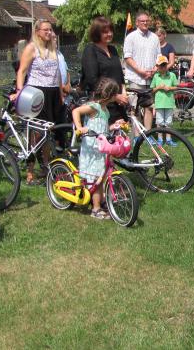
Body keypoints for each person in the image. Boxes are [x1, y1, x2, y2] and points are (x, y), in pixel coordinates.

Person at [11, 19, 64, 185]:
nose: (49, 32)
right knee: (35, 133)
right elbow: (22, 71)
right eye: (46, 30)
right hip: (36, 92)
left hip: (53, 92)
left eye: (50, 29)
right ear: (37, 31)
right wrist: (20, 92)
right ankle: (30, 170)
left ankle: (46, 164)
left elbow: (58, 74)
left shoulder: (53, 48)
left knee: (48, 132)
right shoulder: (31, 48)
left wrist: (61, 93)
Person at [71, 77, 125, 220]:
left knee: (104, 175)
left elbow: (104, 128)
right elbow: (76, 111)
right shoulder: (93, 107)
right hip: (92, 149)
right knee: (97, 178)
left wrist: (114, 126)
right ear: (110, 95)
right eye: (116, 94)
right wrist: (79, 127)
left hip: (102, 148)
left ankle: (101, 201)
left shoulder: (104, 109)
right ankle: (95, 209)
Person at [80, 16, 129, 124]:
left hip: (118, 102)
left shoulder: (113, 49)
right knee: (105, 137)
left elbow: (119, 74)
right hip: (102, 103)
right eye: (105, 32)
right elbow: (92, 80)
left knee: (121, 137)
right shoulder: (90, 50)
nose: (110, 34)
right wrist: (115, 97)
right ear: (97, 33)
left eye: (111, 31)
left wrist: (123, 92)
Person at [123, 11, 160, 132]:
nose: (145, 23)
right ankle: (137, 135)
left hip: (150, 78)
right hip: (135, 78)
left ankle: (147, 133)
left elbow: (159, 56)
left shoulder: (154, 37)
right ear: (137, 23)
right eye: (142, 21)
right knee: (135, 108)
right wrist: (140, 71)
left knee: (149, 107)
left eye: (147, 21)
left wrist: (155, 68)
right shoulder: (131, 37)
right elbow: (128, 58)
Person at [149, 55, 179, 146]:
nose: (163, 67)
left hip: (169, 103)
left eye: (164, 65)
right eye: (161, 65)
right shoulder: (156, 76)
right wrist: (158, 87)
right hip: (159, 103)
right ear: (157, 66)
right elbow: (152, 90)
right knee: (159, 122)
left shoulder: (172, 75)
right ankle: (160, 139)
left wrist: (169, 88)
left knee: (168, 122)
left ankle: (169, 139)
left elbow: (176, 87)